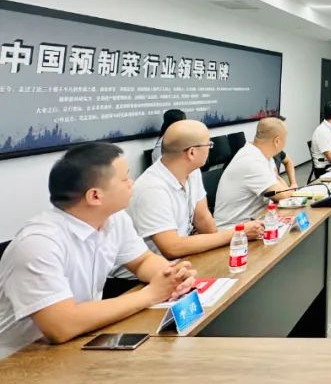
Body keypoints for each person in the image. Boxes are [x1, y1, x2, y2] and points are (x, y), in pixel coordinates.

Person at [0, 143, 197, 359]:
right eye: (124, 179)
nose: (132, 183)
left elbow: (142, 261)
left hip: (78, 343)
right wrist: (150, 295)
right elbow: (61, 325)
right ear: (95, 196)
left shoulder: (113, 219)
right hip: (19, 361)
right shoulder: (38, 244)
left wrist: (172, 276)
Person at [120, 120, 263, 273]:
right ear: (192, 152)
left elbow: (202, 218)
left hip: (180, 262)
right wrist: (236, 234)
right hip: (140, 277)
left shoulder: (192, 172)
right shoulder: (152, 188)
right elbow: (172, 248)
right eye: (209, 145)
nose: (210, 149)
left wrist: (221, 252)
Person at [214, 117, 292, 226]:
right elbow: (283, 195)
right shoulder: (252, 160)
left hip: (256, 220)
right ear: (277, 141)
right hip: (235, 229)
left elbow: (280, 188)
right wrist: (286, 189)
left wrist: (284, 188)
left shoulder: (265, 156)